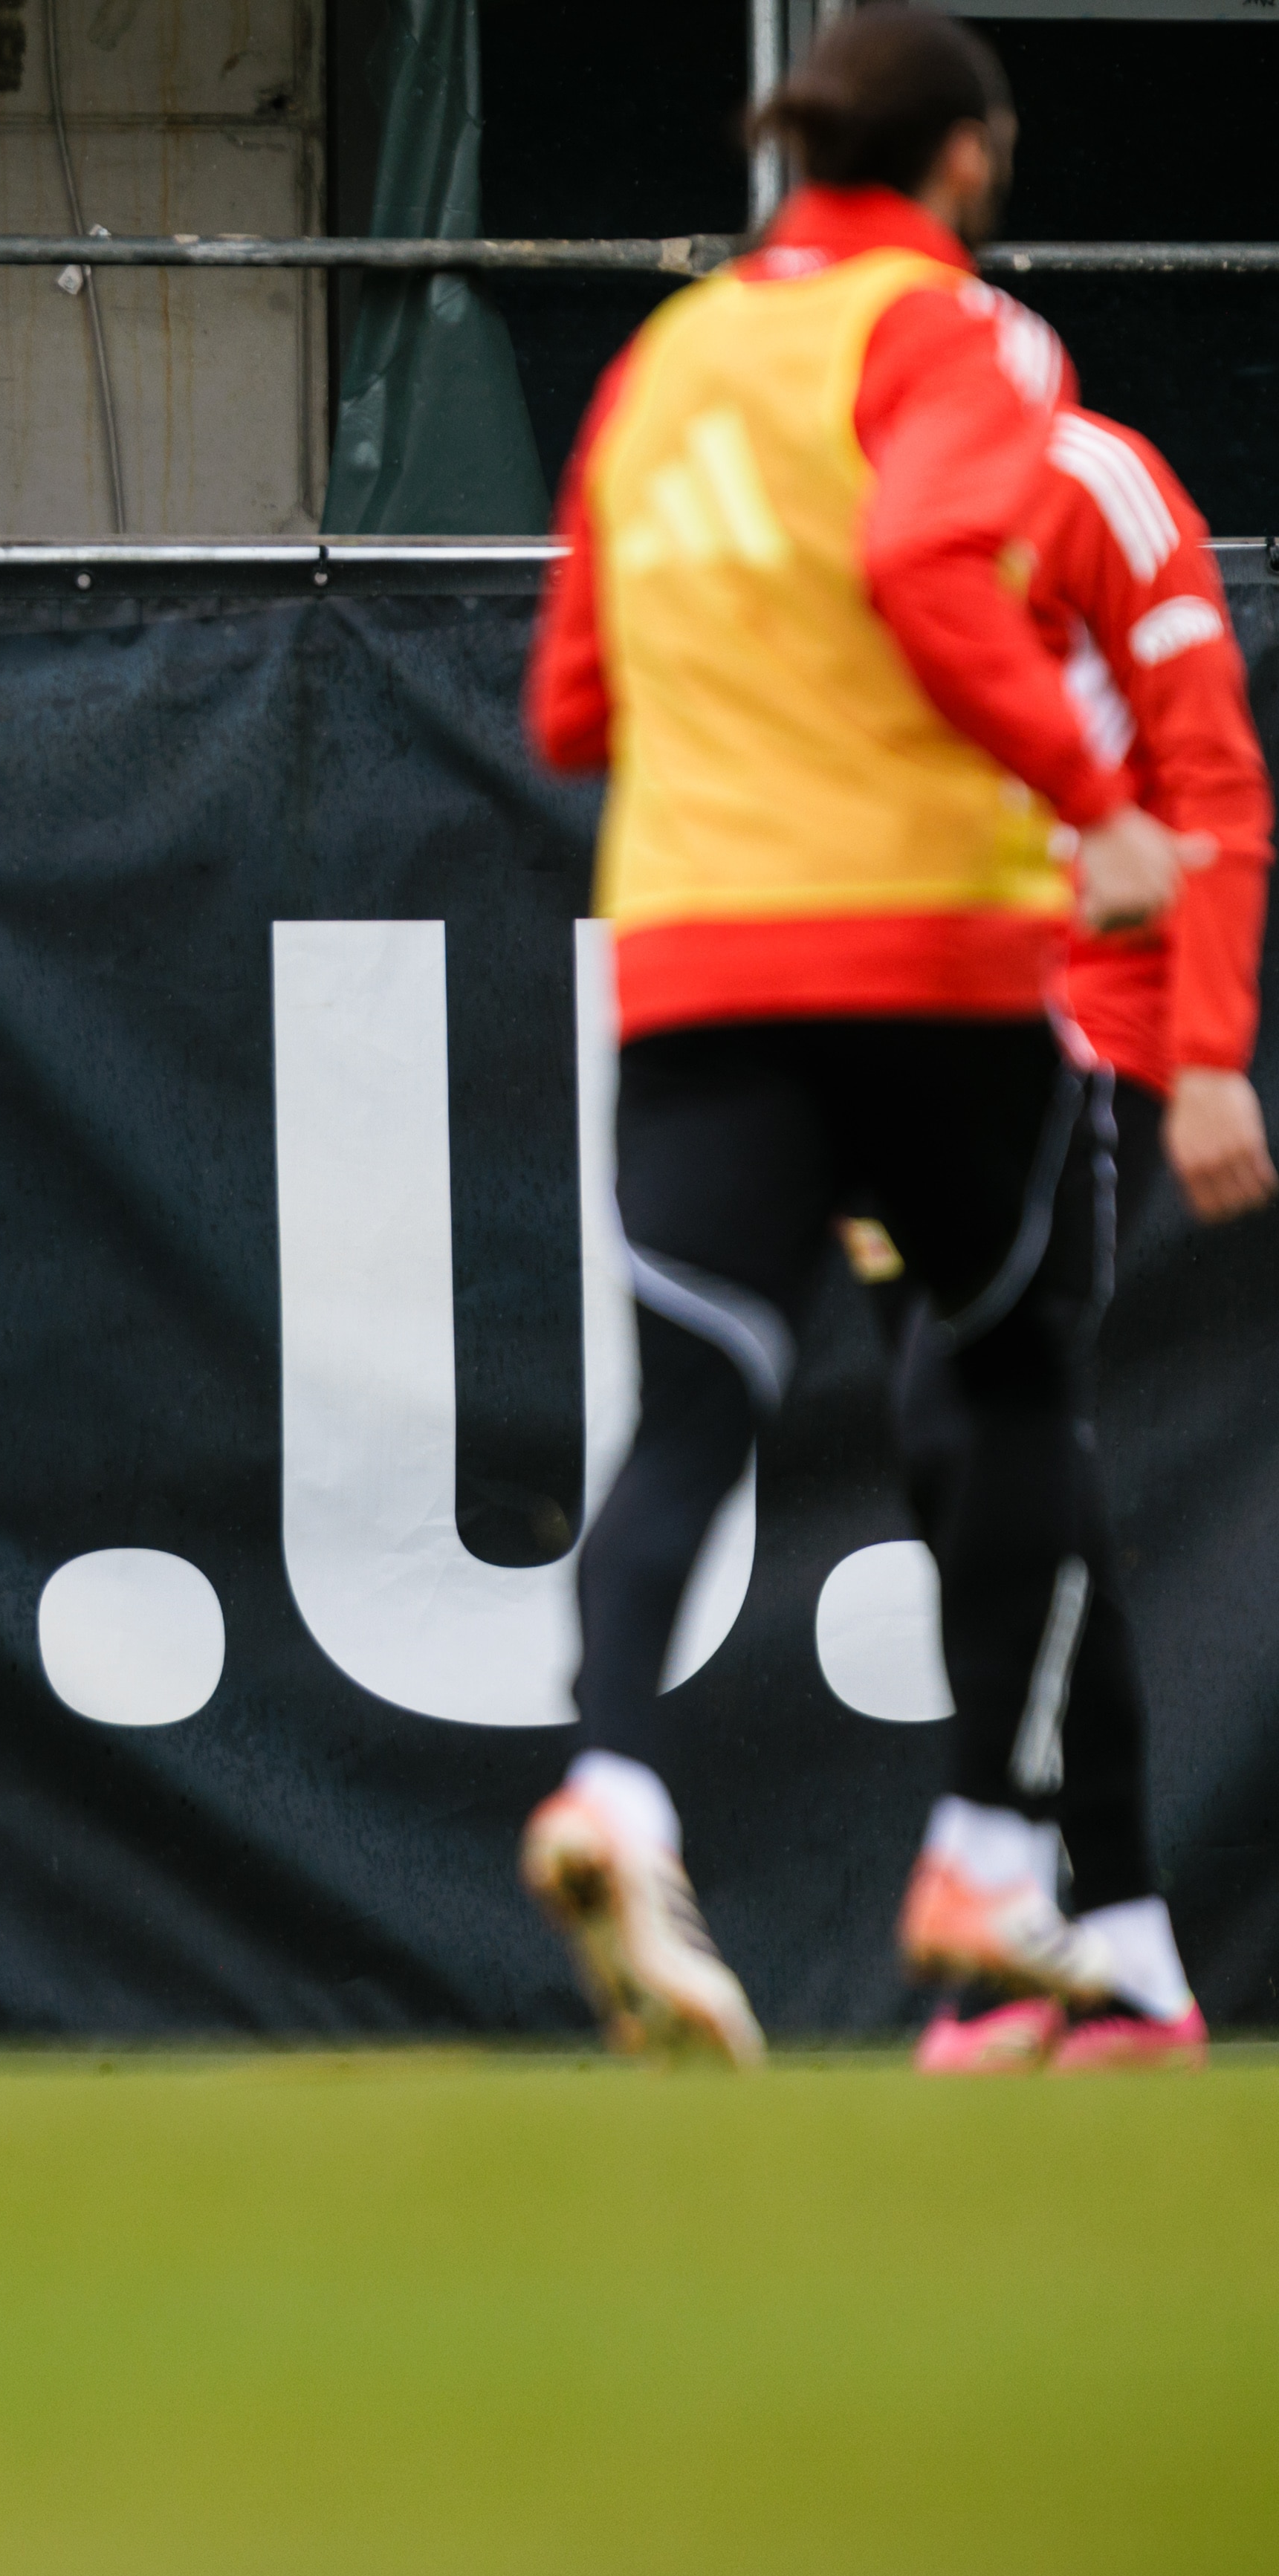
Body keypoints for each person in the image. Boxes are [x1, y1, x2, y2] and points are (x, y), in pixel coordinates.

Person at [515, 5, 1202, 2064]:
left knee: (688, 1412)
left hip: (695, 946)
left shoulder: (667, 358)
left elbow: (568, 704)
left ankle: (614, 1784)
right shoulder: (962, 333)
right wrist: (1094, 806)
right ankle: (987, 1841)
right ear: (966, 160)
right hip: (931, 953)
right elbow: (922, 561)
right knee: (1011, 1380)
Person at [855, 403, 1268, 2074]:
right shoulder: (834, 478)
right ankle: (1116, 1948)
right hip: (909, 1034)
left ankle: (1040, 1903)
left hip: (1078, 1040)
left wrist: (1211, 1053)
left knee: (992, 1430)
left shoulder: (1094, 476)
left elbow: (1213, 779)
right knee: (968, 1466)